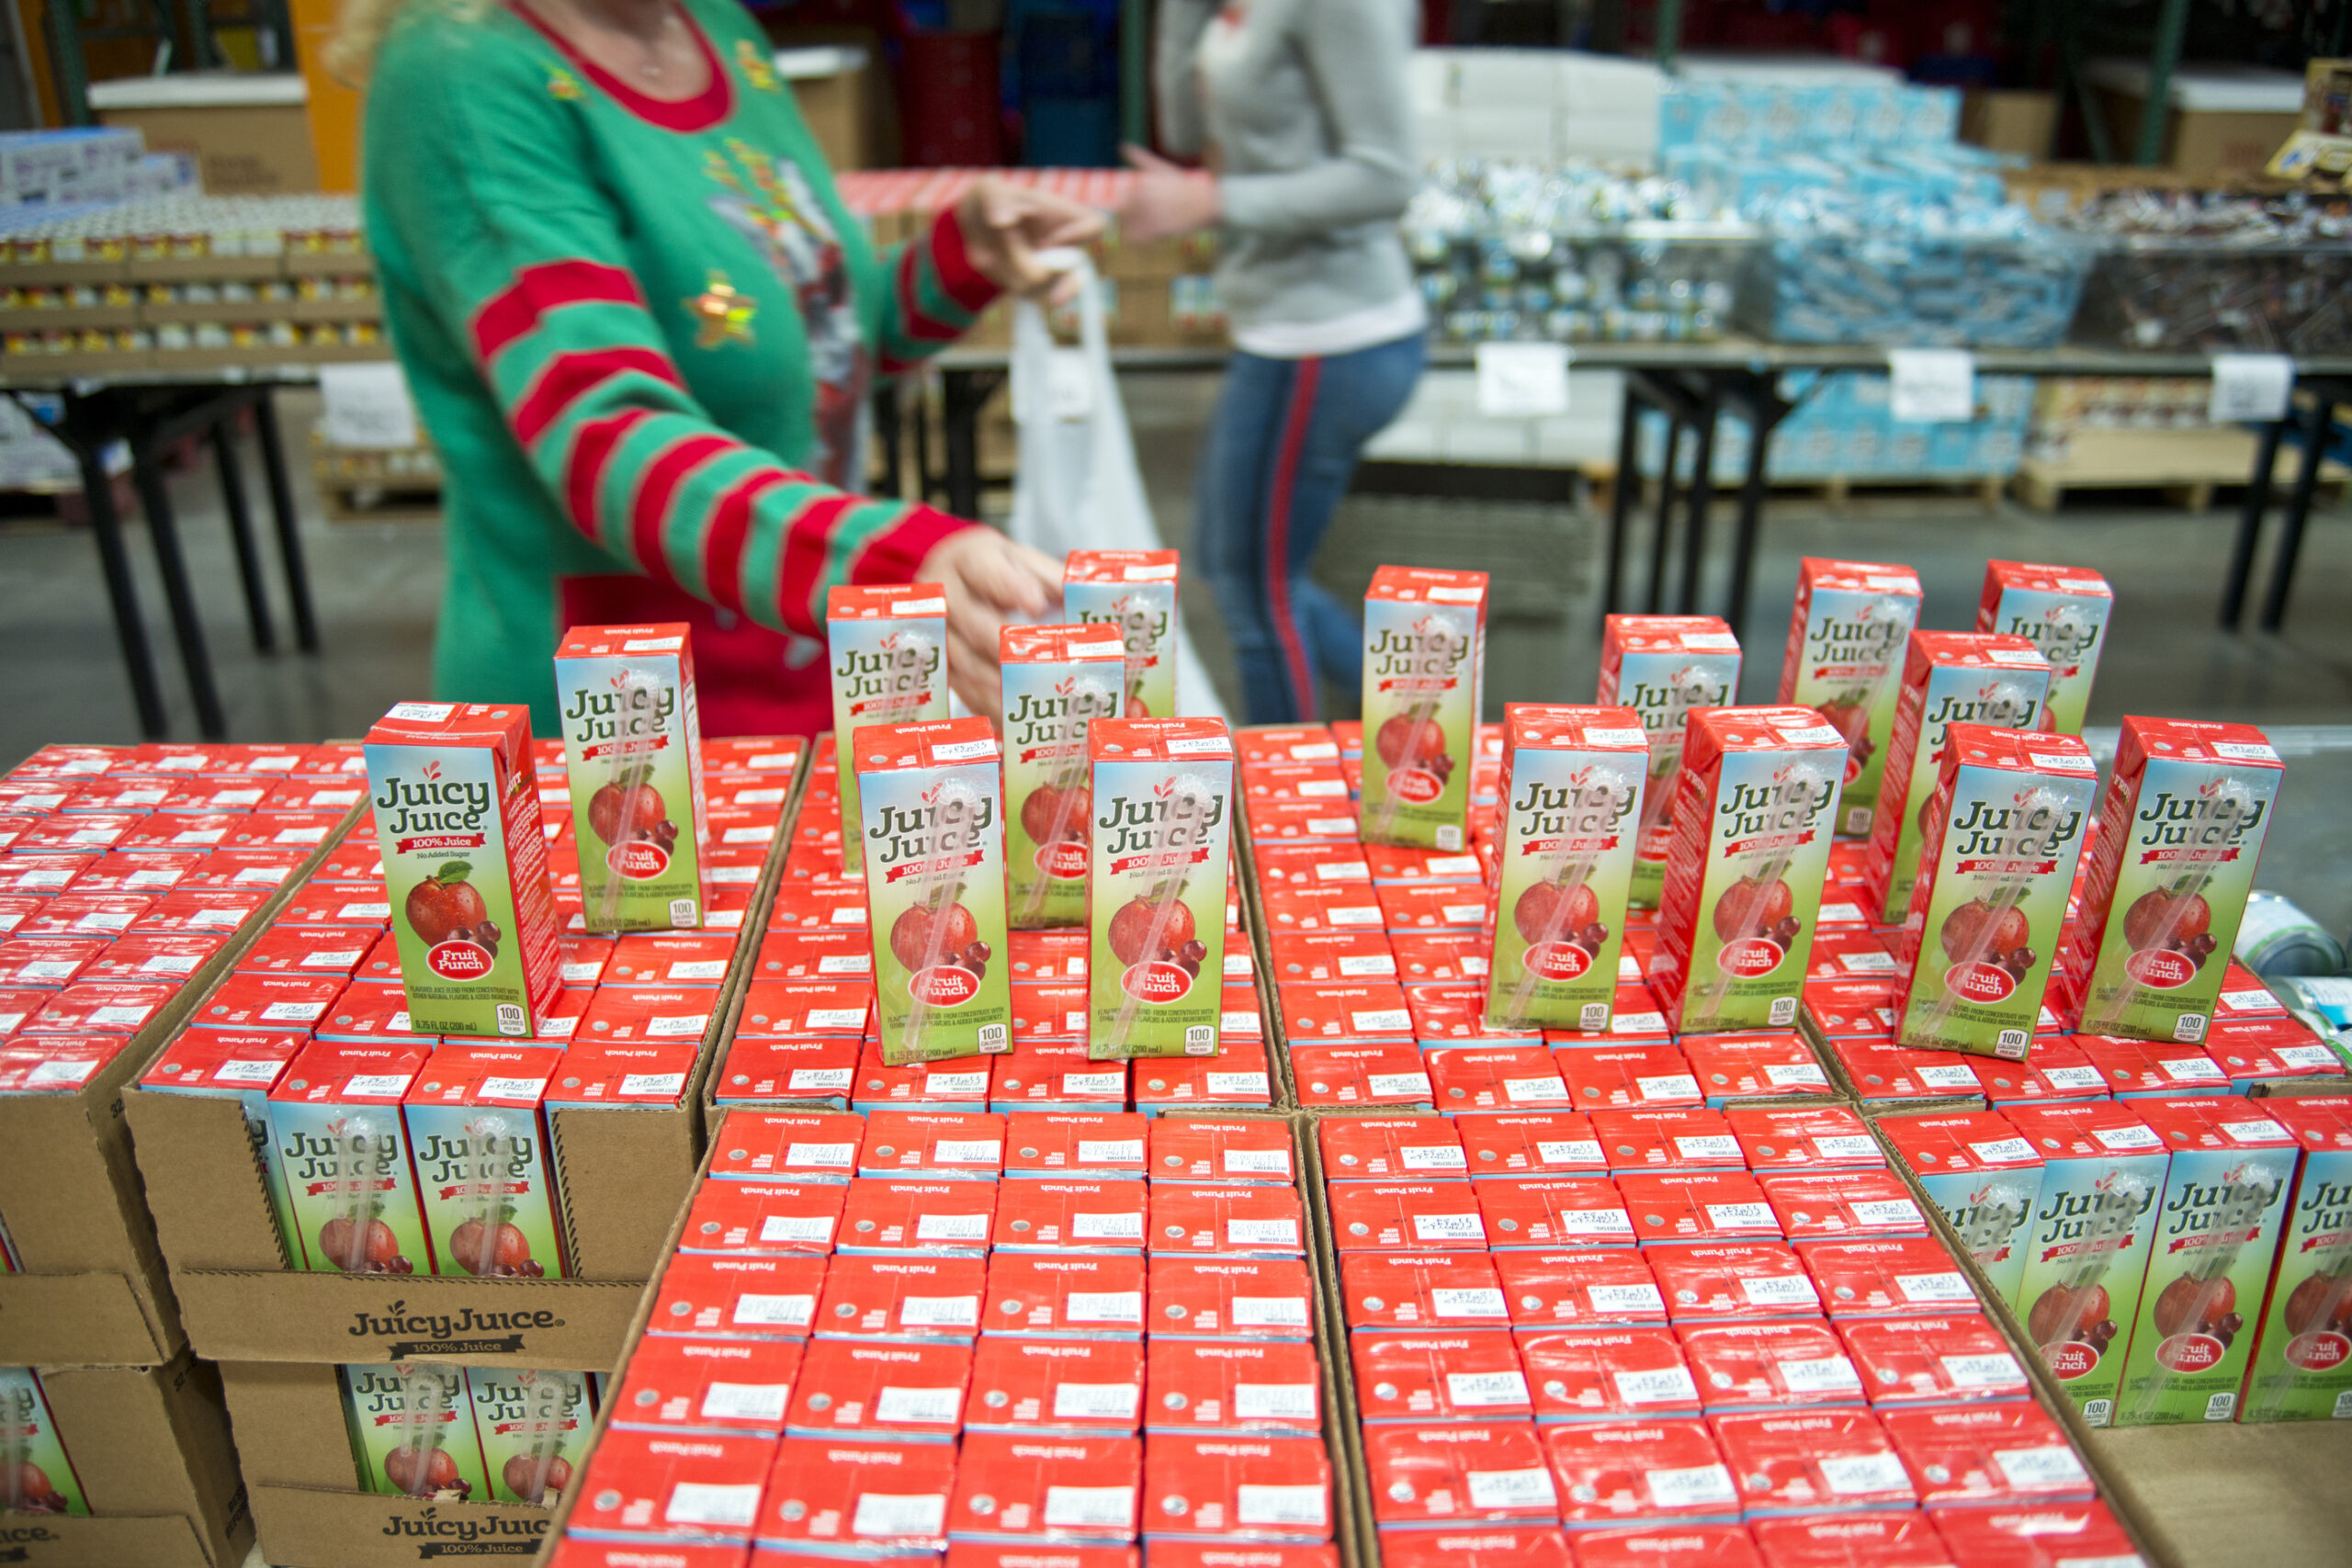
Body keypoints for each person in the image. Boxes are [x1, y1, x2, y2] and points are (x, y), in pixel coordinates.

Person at [339, 0, 1103, 735]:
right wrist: (890, 565)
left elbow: (817, 346)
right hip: (628, 720)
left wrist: (958, 256)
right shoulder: (460, 77)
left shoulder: (717, 30)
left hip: (800, 665)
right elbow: (604, 438)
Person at [1120, 0, 1426, 725]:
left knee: (1257, 592)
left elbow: (1387, 177)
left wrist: (1216, 200)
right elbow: (1188, 132)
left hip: (1330, 333)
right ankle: (1415, 722)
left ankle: (1294, 821)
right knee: (1241, 574)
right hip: (1282, 328)